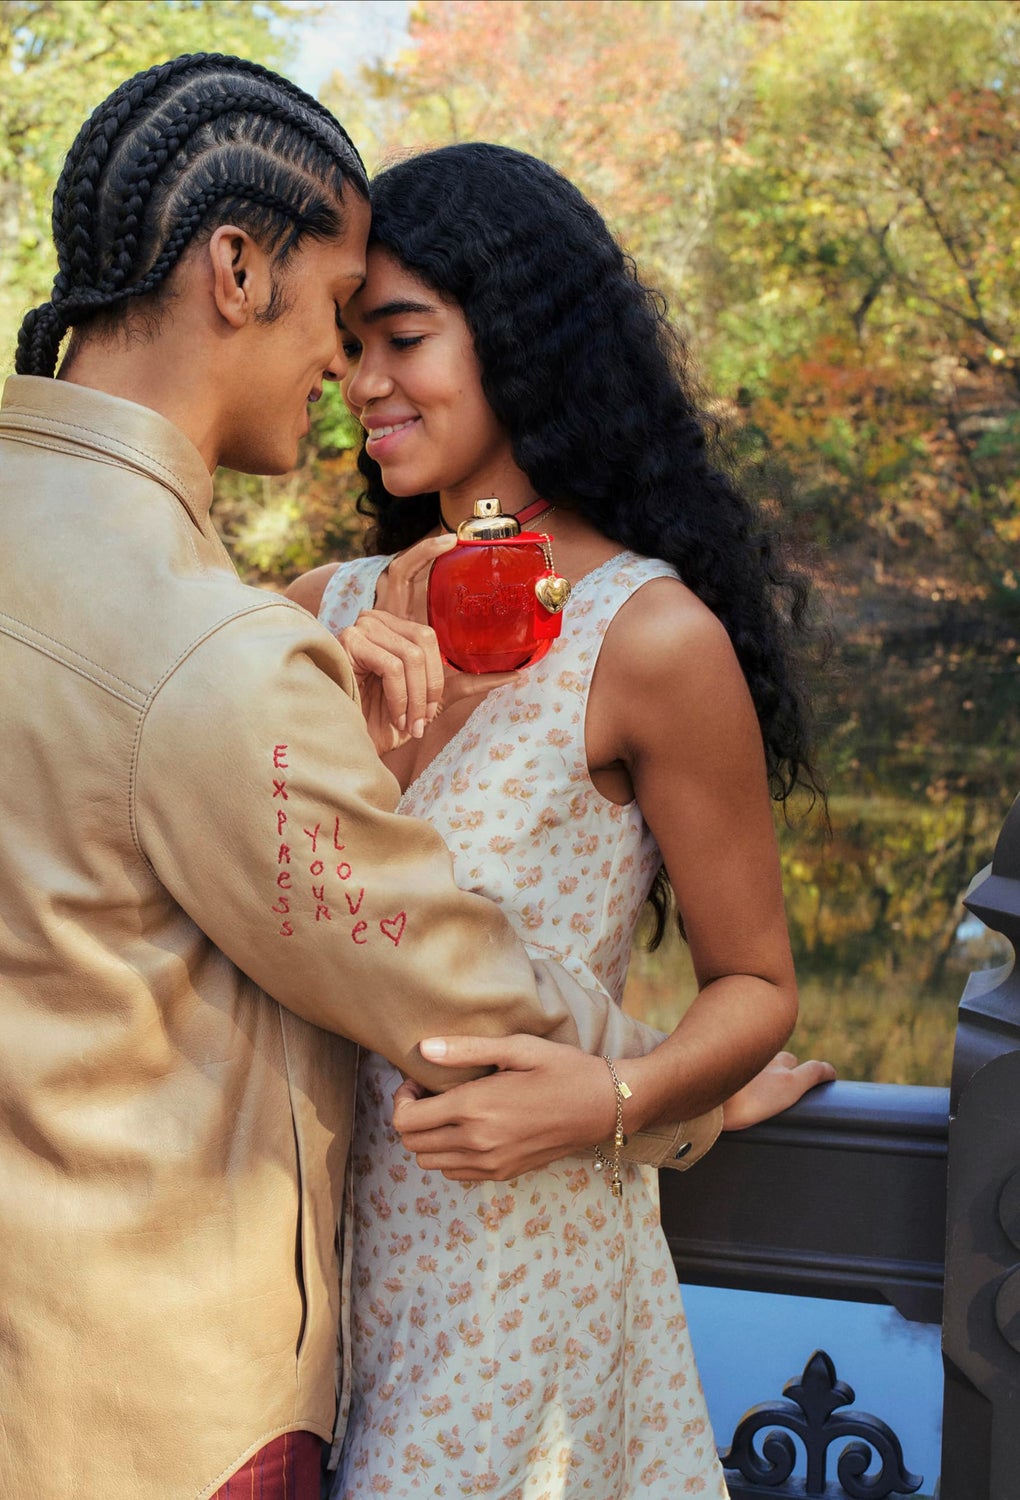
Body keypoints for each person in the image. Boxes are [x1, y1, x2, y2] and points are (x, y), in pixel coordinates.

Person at [0, 60, 780, 1500]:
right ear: (237, 270)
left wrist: (652, 1078)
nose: (345, 370)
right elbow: (420, 961)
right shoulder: (233, 634)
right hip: (169, 1399)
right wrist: (674, 1094)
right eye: (338, 317)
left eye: (396, 334)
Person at [288, 142, 834, 1497]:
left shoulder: (644, 639)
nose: (362, 382)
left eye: (402, 337)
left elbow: (757, 983)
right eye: (349, 346)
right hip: (291, 1298)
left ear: (522, 339)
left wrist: (619, 1097)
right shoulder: (315, 615)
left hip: (516, 1290)